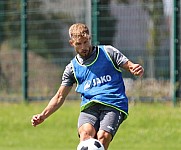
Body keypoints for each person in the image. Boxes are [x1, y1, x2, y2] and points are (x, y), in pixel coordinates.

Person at [31, 23, 144, 150]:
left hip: (114, 103)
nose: (84, 47)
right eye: (79, 44)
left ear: (90, 38)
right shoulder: (72, 68)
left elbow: (129, 65)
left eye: (86, 42)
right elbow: (59, 96)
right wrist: (43, 115)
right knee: (85, 136)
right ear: (71, 43)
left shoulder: (107, 52)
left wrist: (134, 68)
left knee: (103, 137)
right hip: (90, 106)